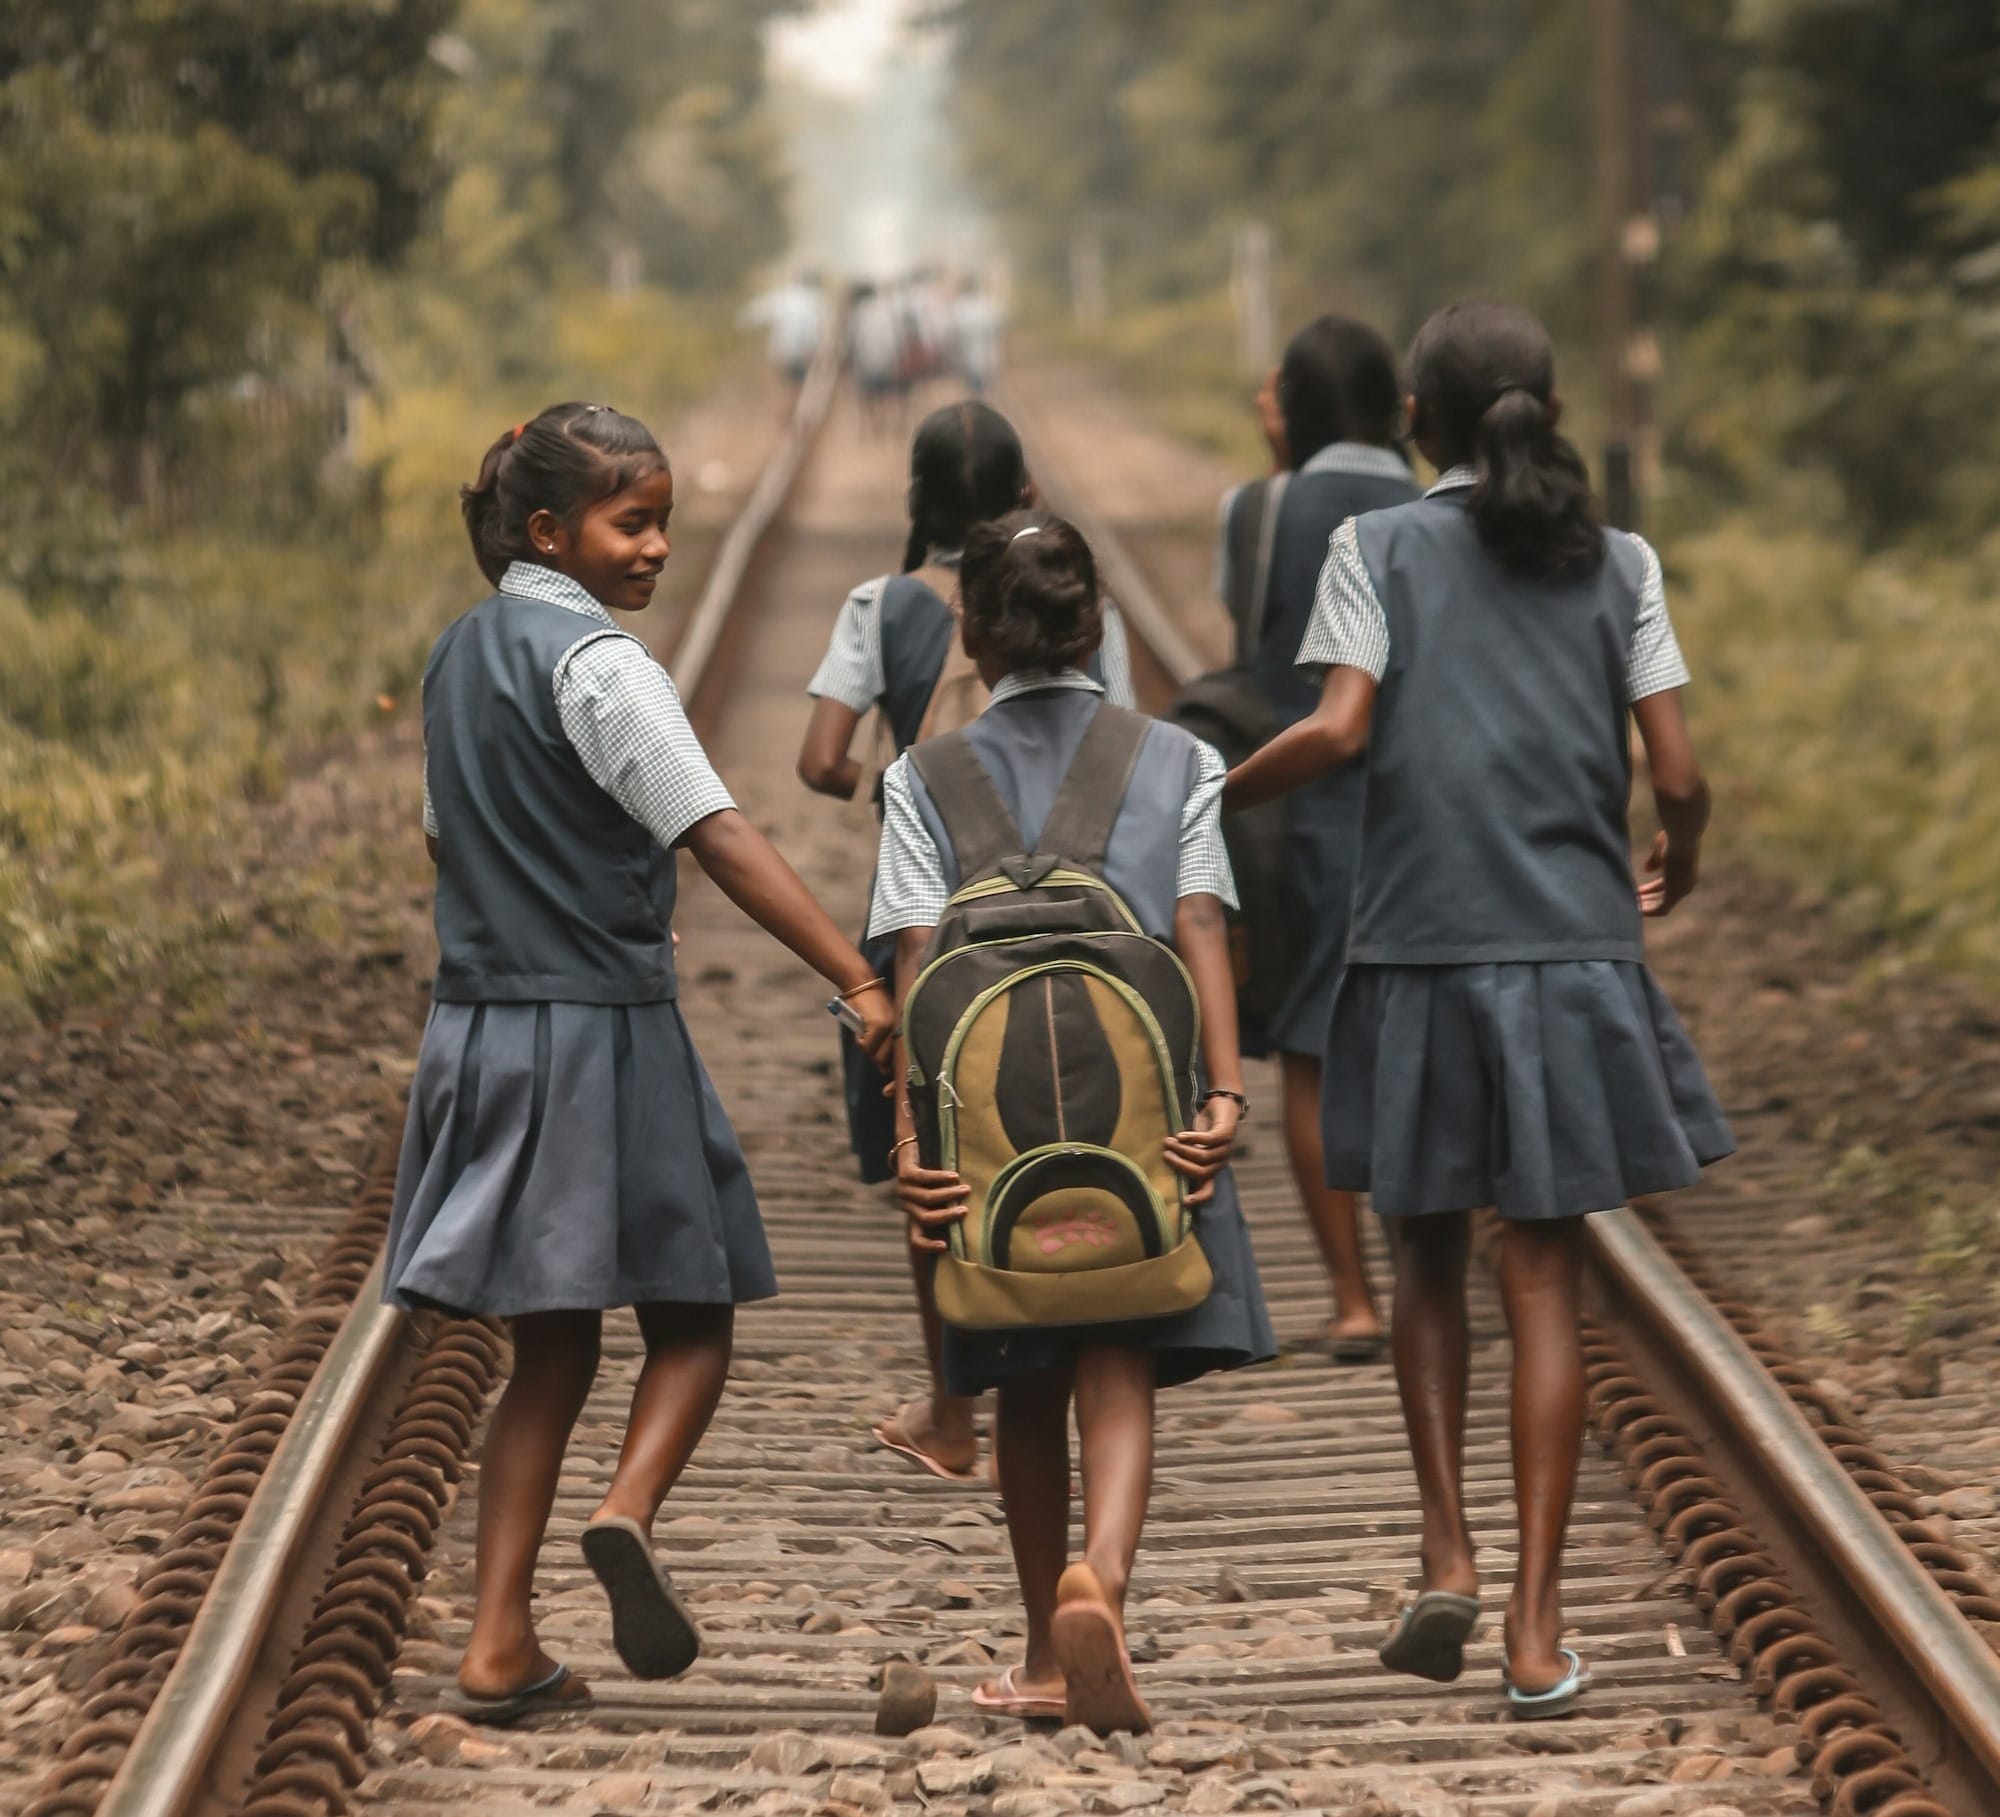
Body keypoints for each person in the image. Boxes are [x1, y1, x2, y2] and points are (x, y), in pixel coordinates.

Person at [1224, 300, 1734, 1717]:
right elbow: (1679, 773)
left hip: (1418, 953)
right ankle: (1532, 1625)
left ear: (1418, 428)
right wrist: (1673, 859)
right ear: (1550, 410)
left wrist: (1199, 798)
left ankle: (1445, 1548)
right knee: (1546, 1279)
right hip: (1572, 956)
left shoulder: (1373, 545)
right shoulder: (1618, 561)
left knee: (1427, 1269)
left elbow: (1337, 730)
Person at [386, 401, 896, 1724]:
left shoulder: (454, 657)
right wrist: (854, 976)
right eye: (634, 521)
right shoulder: (603, 666)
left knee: (547, 1350)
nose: (659, 546)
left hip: (482, 1026)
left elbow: (447, 837)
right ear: (552, 530)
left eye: (663, 518)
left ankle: (499, 1643)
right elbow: (715, 834)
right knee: (693, 1309)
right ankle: (625, 1509)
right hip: (602, 1029)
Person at [875, 513, 1276, 1735]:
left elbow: (910, 968)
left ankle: (1048, 1657)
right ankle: (1097, 1573)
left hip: (989, 1145)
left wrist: (908, 1145)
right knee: (1119, 1362)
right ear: (1091, 624)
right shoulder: (1176, 757)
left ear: (974, 633)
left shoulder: (920, 776)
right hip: (1143, 1127)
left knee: (1026, 1381)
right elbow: (1202, 927)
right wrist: (1220, 1094)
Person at [797, 401, 1136, 1485]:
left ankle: (953, 1405)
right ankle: (1089, 1356)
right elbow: (1117, 740)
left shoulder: (879, 603)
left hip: (930, 914)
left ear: (918, 501)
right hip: (1071, 897)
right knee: (1080, 1112)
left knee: (931, 1155)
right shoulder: (1081, 598)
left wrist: (887, 788)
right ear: (1027, 492)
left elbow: (816, 757)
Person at [1241, 316, 1422, 1362]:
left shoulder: (1261, 507)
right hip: (1412, 804)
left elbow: (1251, 629)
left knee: (1309, 1047)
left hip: (1295, 803)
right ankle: (1420, 1266)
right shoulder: (1430, 507)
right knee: (1410, 1032)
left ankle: (1352, 1294)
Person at [738, 271, 825, 400]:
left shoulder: (785, 297)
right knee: (800, 387)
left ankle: (788, 411)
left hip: (780, 353)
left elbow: (757, 311)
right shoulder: (813, 302)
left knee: (790, 386)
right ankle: (792, 412)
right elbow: (813, 331)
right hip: (799, 354)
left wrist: (741, 322)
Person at [849, 281, 903, 435]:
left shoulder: (857, 314)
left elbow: (852, 341)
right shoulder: (886, 311)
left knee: (869, 398)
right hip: (885, 362)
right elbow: (894, 339)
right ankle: (885, 424)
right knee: (885, 395)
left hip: (864, 364)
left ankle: (873, 427)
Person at [950, 275, 1005, 395]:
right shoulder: (984, 305)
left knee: (974, 386)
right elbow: (996, 327)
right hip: (983, 354)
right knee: (982, 385)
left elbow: (954, 331)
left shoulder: (960, 306)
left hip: (970, 355)